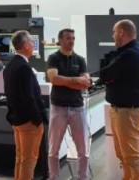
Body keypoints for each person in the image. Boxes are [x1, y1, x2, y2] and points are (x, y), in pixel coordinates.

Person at [99, 19, 139, 180]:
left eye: (114, 32)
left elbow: (105, 75)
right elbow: (108, 75)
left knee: (133, 158)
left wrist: (109, 77)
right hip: (122, 111)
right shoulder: (129, 52)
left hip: (128, 113)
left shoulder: (130, 54)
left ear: (121, 33)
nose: (113, 36)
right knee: (123, 155)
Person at [46, 28, 91, 180]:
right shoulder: (53, 58)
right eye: (68, 38)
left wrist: (64, 81)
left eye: (73, 38)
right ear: (60, 40)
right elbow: (54, 79)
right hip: (58, 108)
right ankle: (53, 177)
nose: (71, 41)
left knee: (83, 149)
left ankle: (83, 177)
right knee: (53, 149)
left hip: (77, 108)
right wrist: (75, 80)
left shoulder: (80, 60)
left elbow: (85, 84)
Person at [4, 30, 47, 180]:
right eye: (32, 43)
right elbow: (29, 97)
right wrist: (37, 120)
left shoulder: (10, 66)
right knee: (29, 160)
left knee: (21, 158)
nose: (33, 46)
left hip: (16, 119)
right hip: (28, 121)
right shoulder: (23, 67)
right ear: (25, 45)